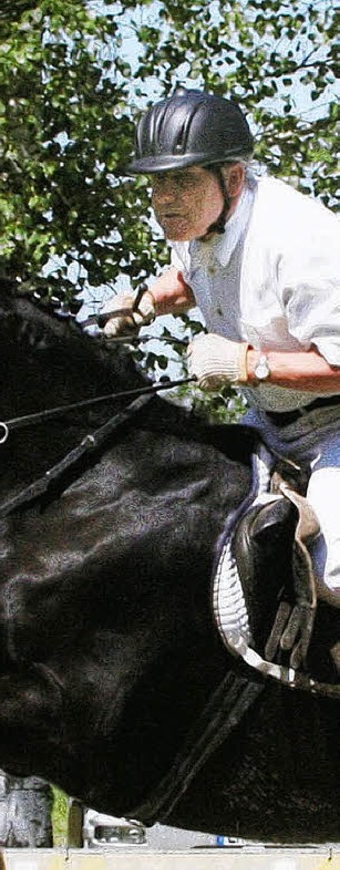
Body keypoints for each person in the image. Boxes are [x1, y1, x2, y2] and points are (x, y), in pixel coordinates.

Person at [103, 88, 340, 604]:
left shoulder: (302, 241)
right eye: (156, 181)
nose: (164, 198)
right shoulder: (205, 219)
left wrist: (249, 366)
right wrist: (146, 302)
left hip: (337, 428)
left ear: (233, 177)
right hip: (274, 427)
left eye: (180, 180)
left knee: (337, 573)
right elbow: (194, 277)